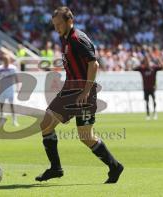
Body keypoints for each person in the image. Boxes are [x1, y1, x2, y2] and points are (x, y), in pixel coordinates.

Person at [35, 6, 123, 184]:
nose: (57, 28)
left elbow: (94, 64)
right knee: (46, 124)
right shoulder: (65, 37)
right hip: (70, 90)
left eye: (59, 24)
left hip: (83, 92)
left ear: (70, 21)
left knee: (85, 136)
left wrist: (86, 90)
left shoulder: (77, 39)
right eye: (54, 25)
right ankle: (56, 168)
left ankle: (114, 166)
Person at [133, 55, 163, 120]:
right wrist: (140, 64)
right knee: (147, 102)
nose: (147, 62)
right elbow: (134, 69)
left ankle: (155, 113)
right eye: (146, 61)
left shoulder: (154, 68)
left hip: (153, 88)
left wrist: (159, 60)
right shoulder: (142, 69)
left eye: (148, 61)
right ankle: (148, 115)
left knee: (154, 101)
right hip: (145, 88)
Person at [0, 55, 19, 126]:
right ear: (3, 60)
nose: (6, 62)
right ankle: (1, 119)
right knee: (1, 105)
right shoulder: (0, 68)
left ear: (9, 61)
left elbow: (16, 78)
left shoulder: (13, 68)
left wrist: (18, 87)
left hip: (10, 89)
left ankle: (14, 120)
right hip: (2, 89)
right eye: (5, 60)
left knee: (12, 105)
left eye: (7, 60)